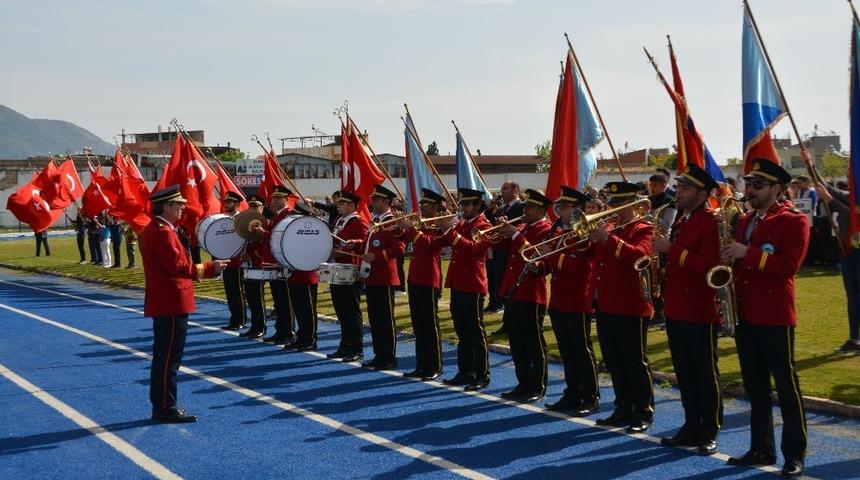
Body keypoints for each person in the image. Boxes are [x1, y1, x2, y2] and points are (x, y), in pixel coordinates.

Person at [721, 160, 809, 478]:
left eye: (758, 185)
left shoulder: (794, 221)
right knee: (755, 387)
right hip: (746, 314)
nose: (750, 190)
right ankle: (761, 447)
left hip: (774, 315)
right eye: (749, 184)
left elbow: (788, 267)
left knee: (786, 386)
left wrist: (749, 254)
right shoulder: (744, 221)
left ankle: (795, 454)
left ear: (776, 189)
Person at [652, 164, 723, 455]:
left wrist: (672, 250)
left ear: (702, 193)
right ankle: (691, 424)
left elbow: (709, 266)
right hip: (677, 307)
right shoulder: (683, 219)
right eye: (679, 186)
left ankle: (709, 429)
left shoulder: (710, 221)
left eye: (685, 188)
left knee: (704, 372)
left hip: (699, 307)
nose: (678, 192)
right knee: (685, 371)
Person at [141, 185, 226, 423]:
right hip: (171, 302)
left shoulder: (157, 229)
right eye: (178, 205)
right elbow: (179, 267)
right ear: (166, 206)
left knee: (164, 358)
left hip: (167, 301)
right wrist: (211, 268)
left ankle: (162, 405)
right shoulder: (163, 233)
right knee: (169, 359)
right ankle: (166, 407)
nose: (182, 208)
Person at [590, 181, 655, 434]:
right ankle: (622, 407)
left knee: (634, 361)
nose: (612, 208)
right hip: (606, 302)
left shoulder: (643, 228)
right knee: (614, 361)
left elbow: (640, 256)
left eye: (618, 204)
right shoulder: (609, 227)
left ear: (632, 204)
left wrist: (610, 239)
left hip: (631, 305)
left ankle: (643, 411)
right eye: (612, 203)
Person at [540, 186, 600, 416]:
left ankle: (590, 396)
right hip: (558, 299)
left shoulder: (584, 233)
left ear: (576, 209)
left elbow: (584, 267)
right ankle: (573, 391)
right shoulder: (560, 231)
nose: (559, 210)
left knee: (581, 350)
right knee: (567, 349)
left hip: (577, 299)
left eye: (564, 207)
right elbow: (555, 263)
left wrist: (552, 256)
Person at [496, 189, 552, 403]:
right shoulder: (521, 227)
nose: (525, 211)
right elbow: (499, 247)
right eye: (525, 207)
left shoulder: (546, 230)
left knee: (533, 344)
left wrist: (515, 235)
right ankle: (522, 383)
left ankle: (537, 385)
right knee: (517, 342)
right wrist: (502, 231)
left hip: (531, 293)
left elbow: (534, 255)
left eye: (529, 208)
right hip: (513, 290)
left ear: (540, 210)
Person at [434, 188, 493, 391]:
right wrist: (438, 227)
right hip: (458, 282)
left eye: (467, 205)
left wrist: (450, 231)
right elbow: (441, 242)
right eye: (462, 205)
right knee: (462, 331)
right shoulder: (461, 224)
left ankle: (482, 374)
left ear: (477, 206)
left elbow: (474, 249)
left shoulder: (484, 225)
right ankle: (465, 370)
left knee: (475, 332)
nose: (463, 208)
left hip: (473, 283)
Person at [397, 188, 447, 381]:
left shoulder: (439, 226)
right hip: (415, 278)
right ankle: (421, 364)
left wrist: (409, 228)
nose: (421, 208)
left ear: (435, 207)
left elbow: (428, 244)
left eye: (425, 205)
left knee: (430, 325)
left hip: (429, 279)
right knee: (418, 325)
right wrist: (398, 226)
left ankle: (435, 365)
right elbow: (400, 238)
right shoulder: (419, 225)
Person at [361, 185, 406, 371]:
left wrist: (377, 257)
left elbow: (400, 248)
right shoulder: (376, 220)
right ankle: (379, 355)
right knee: (375, 318)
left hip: (385, 276)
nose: (371, 202)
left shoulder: (391, 221)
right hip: (372, 276)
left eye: (375, 199)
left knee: (385, 319)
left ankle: (389, 357)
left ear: (386, 202)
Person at [815, 182, 860, 352]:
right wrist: (811, 166)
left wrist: (830, 200)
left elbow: (851, 216)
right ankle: (855, 338)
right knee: (853, 297)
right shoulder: (851, 195)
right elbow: (828, 188)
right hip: (848, 252)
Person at [327, 191, 369, 362]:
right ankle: (345, 345)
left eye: (343, 203)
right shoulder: (340, 220)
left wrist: (350, 246)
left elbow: (364, 241)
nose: (339, 205)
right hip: (337, 268)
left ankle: (356, 347)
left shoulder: (359, 222)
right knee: (341, 310)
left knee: (351, 310)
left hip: (349, 269)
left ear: (352, 205)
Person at [257, 186, 297, 345]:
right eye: (273, 198)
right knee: (278, 300)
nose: (273, 201)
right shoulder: (276, 216)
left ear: (286, 199)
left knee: (284, 300)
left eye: (277, 198)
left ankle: (287, 331)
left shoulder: (289, 215)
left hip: (281, 263)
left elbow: (282, 238)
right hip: (273, 262)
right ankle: (280, 330)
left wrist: (263, 233)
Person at [284, 201, 321, 352]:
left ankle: (310, 339)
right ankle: (301, 336)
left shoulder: (312, 229)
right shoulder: (294, 229)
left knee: (307, 309)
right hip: (295, 273)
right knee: (299, 308)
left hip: (307, 274)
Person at [485, 181, 524, 318]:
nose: (502, 192)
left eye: (505, 188)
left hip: (511, 251)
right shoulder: (502, 209)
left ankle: (508, 316)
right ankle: (500, 309)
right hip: (498, 250)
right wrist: (489, 209)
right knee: (498, 281)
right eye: (502, 189)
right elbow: (491, 223)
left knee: (509, 287)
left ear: (515, 190)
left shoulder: (521, 206)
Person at [647, 172, 678, 327]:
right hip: (648, 243)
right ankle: (653, 308)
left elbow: (666, 224)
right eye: (650, 185)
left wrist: (645, 216)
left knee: (659, 277)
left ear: (664, 185)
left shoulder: (670, 202)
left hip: (662, 243)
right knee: (650, 277)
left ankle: (661, 312)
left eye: (655, 185)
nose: (651, 188)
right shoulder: (648, 200)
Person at [239, 195, 268, 339]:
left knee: (257, 297)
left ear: (261, 208)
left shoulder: (265, 224)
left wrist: (252, 254)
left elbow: (267, 244)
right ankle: (254, 326)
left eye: (256, 207)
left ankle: (260, 327)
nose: (253, 210)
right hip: (247, 266)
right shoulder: (245, 224)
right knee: (250, 297)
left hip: (258, 264)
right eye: (251, 207)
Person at [219, 191, 247, 331]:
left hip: (238, 261)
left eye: (229, 202)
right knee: (229, 291)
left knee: (237, 291)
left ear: (236, 204)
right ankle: (234, 318)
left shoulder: (241, 219)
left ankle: (240, 319)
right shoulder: (223, 219)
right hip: (226, 260)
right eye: (226, 202)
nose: (226, 205)